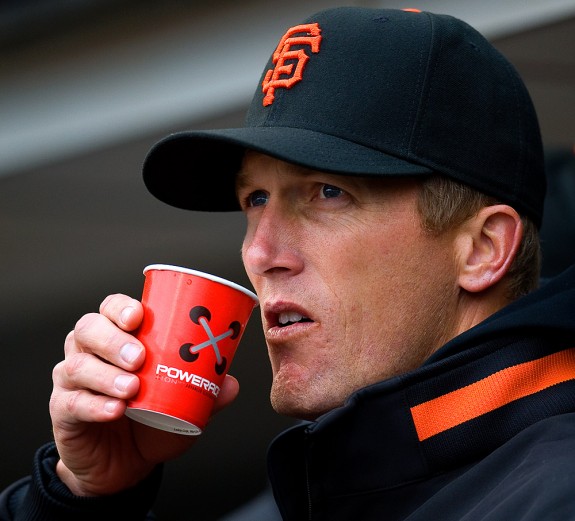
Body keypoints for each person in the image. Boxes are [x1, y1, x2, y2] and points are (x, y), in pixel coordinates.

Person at [2, 6, 575, 520]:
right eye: (254, 200)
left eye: (327, 192)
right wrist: (85, 498)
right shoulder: (315, 492)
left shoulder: (554, 490)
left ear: (482, 249)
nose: (258, 252)